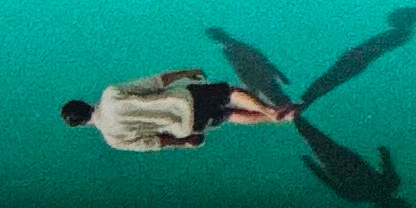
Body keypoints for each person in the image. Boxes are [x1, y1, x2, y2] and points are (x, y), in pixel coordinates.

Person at [61, 67, 297, 151]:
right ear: (84, 103)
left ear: (82, 124)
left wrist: (185, 142)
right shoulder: (110, 94)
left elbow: (156, 143)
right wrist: (186, 73)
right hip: (185, 100)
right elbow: (156, 81)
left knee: (228, 116)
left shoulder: (113, 139)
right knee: (229, 93)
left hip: (188, 125)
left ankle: (280, 118)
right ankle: (268, 110)